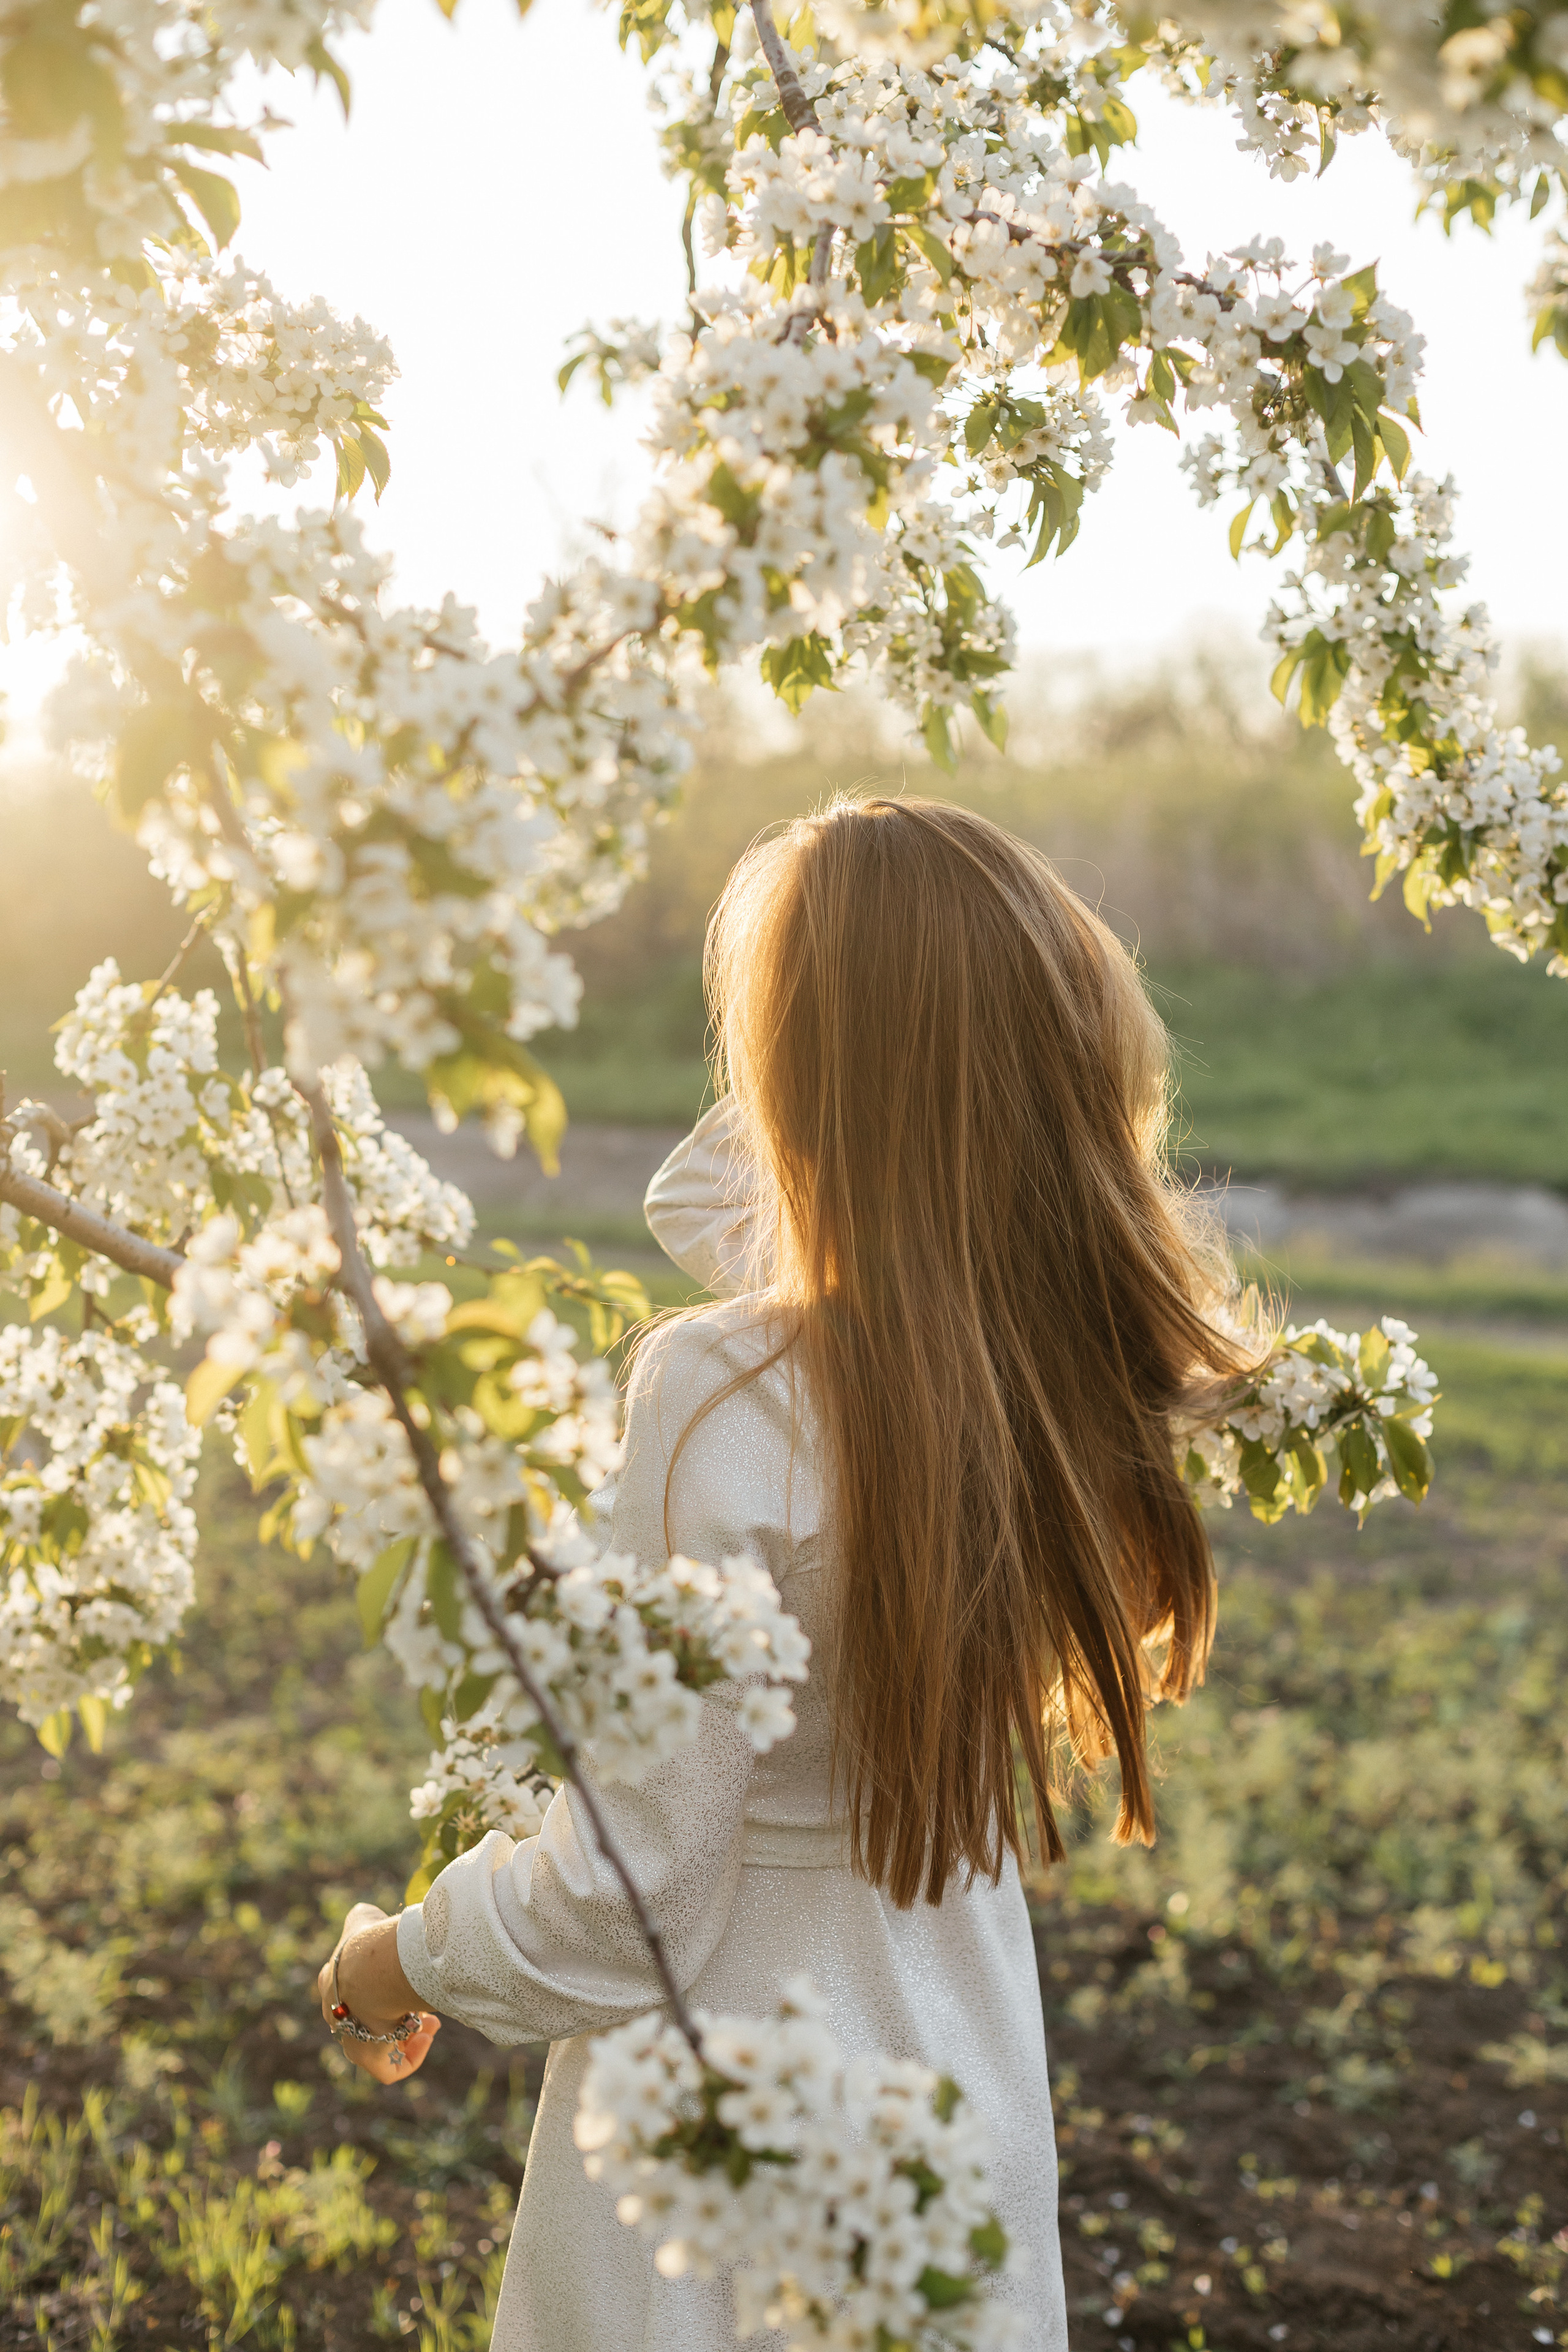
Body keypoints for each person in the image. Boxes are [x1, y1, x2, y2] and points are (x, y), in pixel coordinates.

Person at [317, 796, 1252, 2352]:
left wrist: (387, 1957)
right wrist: (889, 957)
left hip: (731, 2114)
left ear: (797, 1077)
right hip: (949, 2078)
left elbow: (633, 1897)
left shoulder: (727, 1386)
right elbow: (712, 1205)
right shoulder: (1052, 1365)